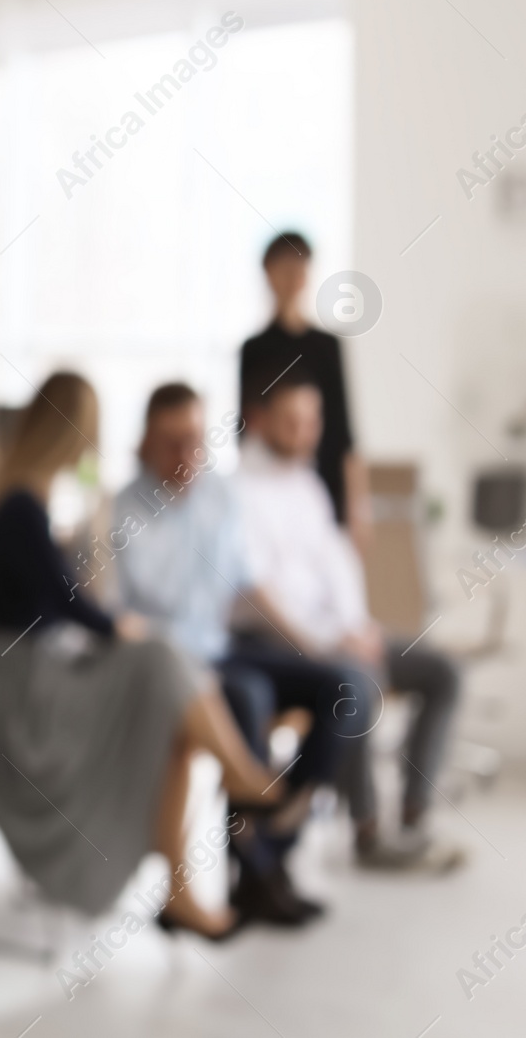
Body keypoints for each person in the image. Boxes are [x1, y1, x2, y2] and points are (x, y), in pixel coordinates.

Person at [0, 371, 283, 940]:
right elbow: (67, 602)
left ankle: (181, 893)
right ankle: (245, 779)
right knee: (157, 657)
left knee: (165, 692)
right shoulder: (20, 507)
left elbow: (64, 598)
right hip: (15, 686)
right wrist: (116, 626)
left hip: (37, 665)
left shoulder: (31, 502)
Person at [113, 383, 348, 925]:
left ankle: (275, 838)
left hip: (220, 648)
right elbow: (122, 614)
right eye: (171, 443)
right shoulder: (124, 510)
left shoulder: (220, 496)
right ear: (145, 442)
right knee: (248, 695)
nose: (185, 455)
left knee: (343, 685)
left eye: (194, 440)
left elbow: (249, 584)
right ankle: (255, 875)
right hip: (170, 663)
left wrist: (310, 646)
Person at [236, 369, 465, 872]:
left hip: (347, 633)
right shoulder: (238, 493)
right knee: (353, 683)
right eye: (292, 421)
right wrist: (331, 643)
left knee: (443, 672)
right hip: (287, 643)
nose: (306, 432)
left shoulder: (307, 483)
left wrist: (359, 628)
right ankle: (367, 832)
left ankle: (413, 816)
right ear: (259, 421)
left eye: (313, 420)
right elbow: (255, 595)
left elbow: (335, 566)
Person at [240, 231, 371, 554]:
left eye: (298, 269)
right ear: (268, 274)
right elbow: (244, 429)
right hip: (269, 487)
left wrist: (358, 508)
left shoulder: (326, 347)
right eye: (282, 268)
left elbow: (344, 432)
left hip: (325, 486)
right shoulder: (254, 349)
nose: (291, 278)